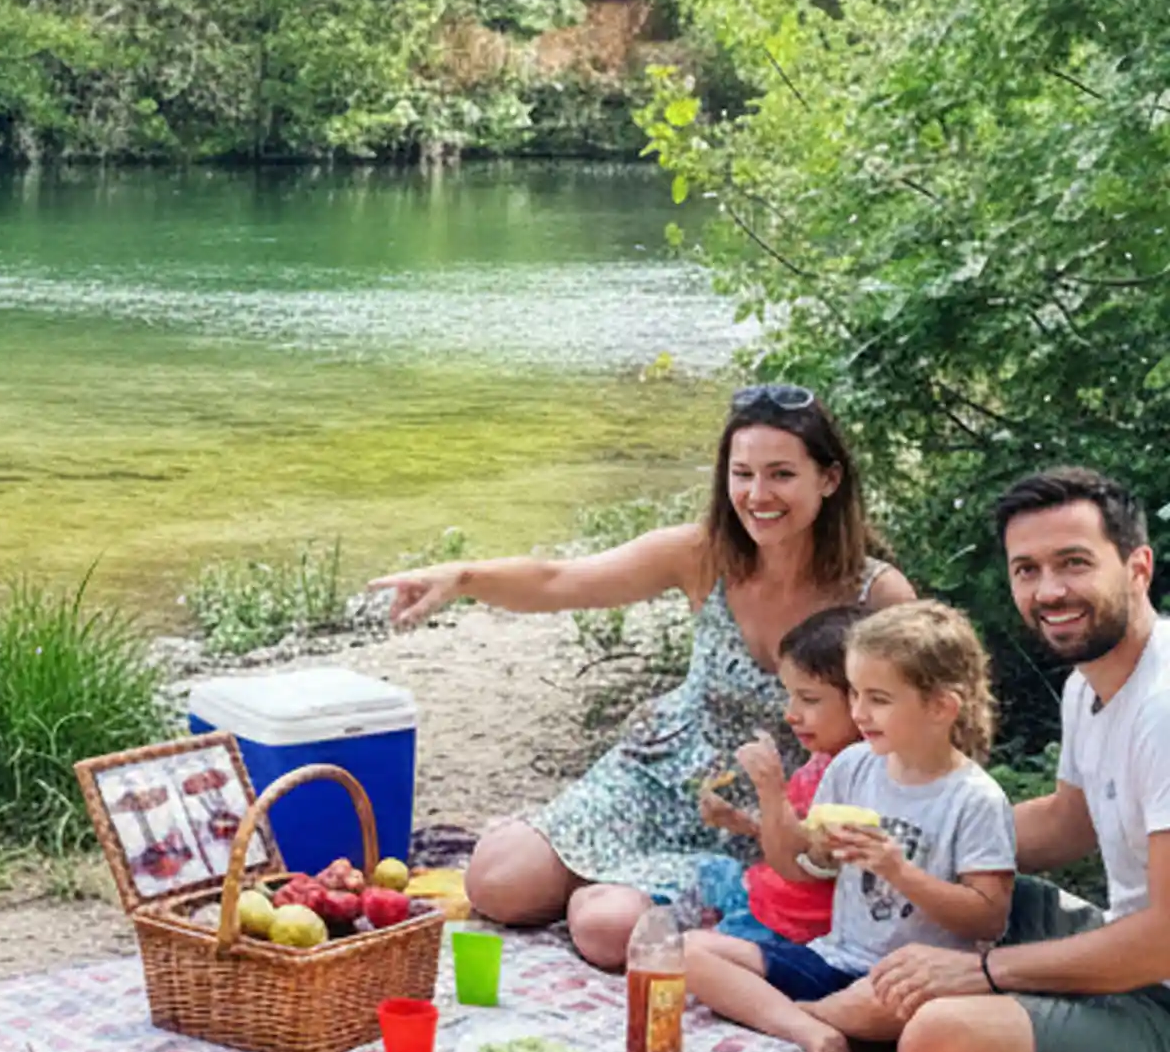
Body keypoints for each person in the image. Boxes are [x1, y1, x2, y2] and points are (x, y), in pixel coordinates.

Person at [371, 384, 914, 969]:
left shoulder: (875, 595)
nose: (758, 495)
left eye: (781, 474)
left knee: (608, 930)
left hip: (773, 815)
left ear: (828, 479)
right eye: (742, 474)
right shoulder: (705, 554)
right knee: (496, 880)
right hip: (662, 771)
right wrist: (463, 576)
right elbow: (560, 579)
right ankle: (605, 885)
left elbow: (915, 732)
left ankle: (612, 896)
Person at [872, 469, 1170, 1052]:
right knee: (978, 899)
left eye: (1074, 563)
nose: (1050, 591)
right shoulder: (1089, 688)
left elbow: (1163, 942)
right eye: (1027, 569)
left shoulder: (1164, 703)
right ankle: (819, 1007)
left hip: (1159, 985)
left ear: (1137, 567)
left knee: (937, 1042)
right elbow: (1070, 821)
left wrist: (984, 972)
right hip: (1131, 960)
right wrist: (909, 840)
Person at [682, 600, 1016, 1052]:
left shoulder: (974, 799)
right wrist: (815, 842)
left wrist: (898, 871)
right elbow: (807, 867)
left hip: (906, 983)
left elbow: (988, 919)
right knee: (693, 950)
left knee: (892, 1005)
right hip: (833, 958)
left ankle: (794, 1018)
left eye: (878, 699)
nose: (859, 712)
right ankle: (813, 1027)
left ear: (941, 707)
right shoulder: (853, 767)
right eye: (855, 694)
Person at [695, 602, 863, 948]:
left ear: (862, 700)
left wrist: (770, 790)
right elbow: (798, 828)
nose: (791, 714)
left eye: (809, 699)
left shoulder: (858, 776)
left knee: (694, 955)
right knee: (708, 871)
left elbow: (803, 862)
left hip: (794, 924)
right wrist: (745, 822)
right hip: (770, 896)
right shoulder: (822, 759)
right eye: (790, 697)